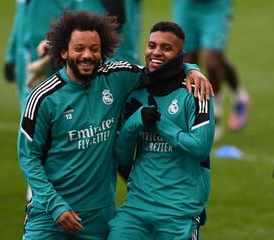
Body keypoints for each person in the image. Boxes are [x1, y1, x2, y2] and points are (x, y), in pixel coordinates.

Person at [18, 11, 212, 240]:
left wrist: (192, 69)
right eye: (79, 49)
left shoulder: (118, 77)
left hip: (97, 218)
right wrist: (55, 205)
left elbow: (159, 69)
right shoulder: (43, 98)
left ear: (104, 51)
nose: (87, 56)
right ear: (64, 51)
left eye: (94, 49)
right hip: (50, 215)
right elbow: (28, 158)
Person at [108, 21, 214, 240]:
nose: (156, 52)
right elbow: (122, 156)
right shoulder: (135, 93)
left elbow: (201, 148)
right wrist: (135, 122)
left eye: (166, 48)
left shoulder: (196, 91)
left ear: (179, 55)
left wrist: (159, 122)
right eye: (151, 45)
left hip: (180, 212)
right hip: (137, 208)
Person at [173, 0, 250, 141]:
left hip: (215, 6)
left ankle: (215, 114)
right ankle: (196, 113)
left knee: (212, 61)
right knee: (188, 61)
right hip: (186, 6)